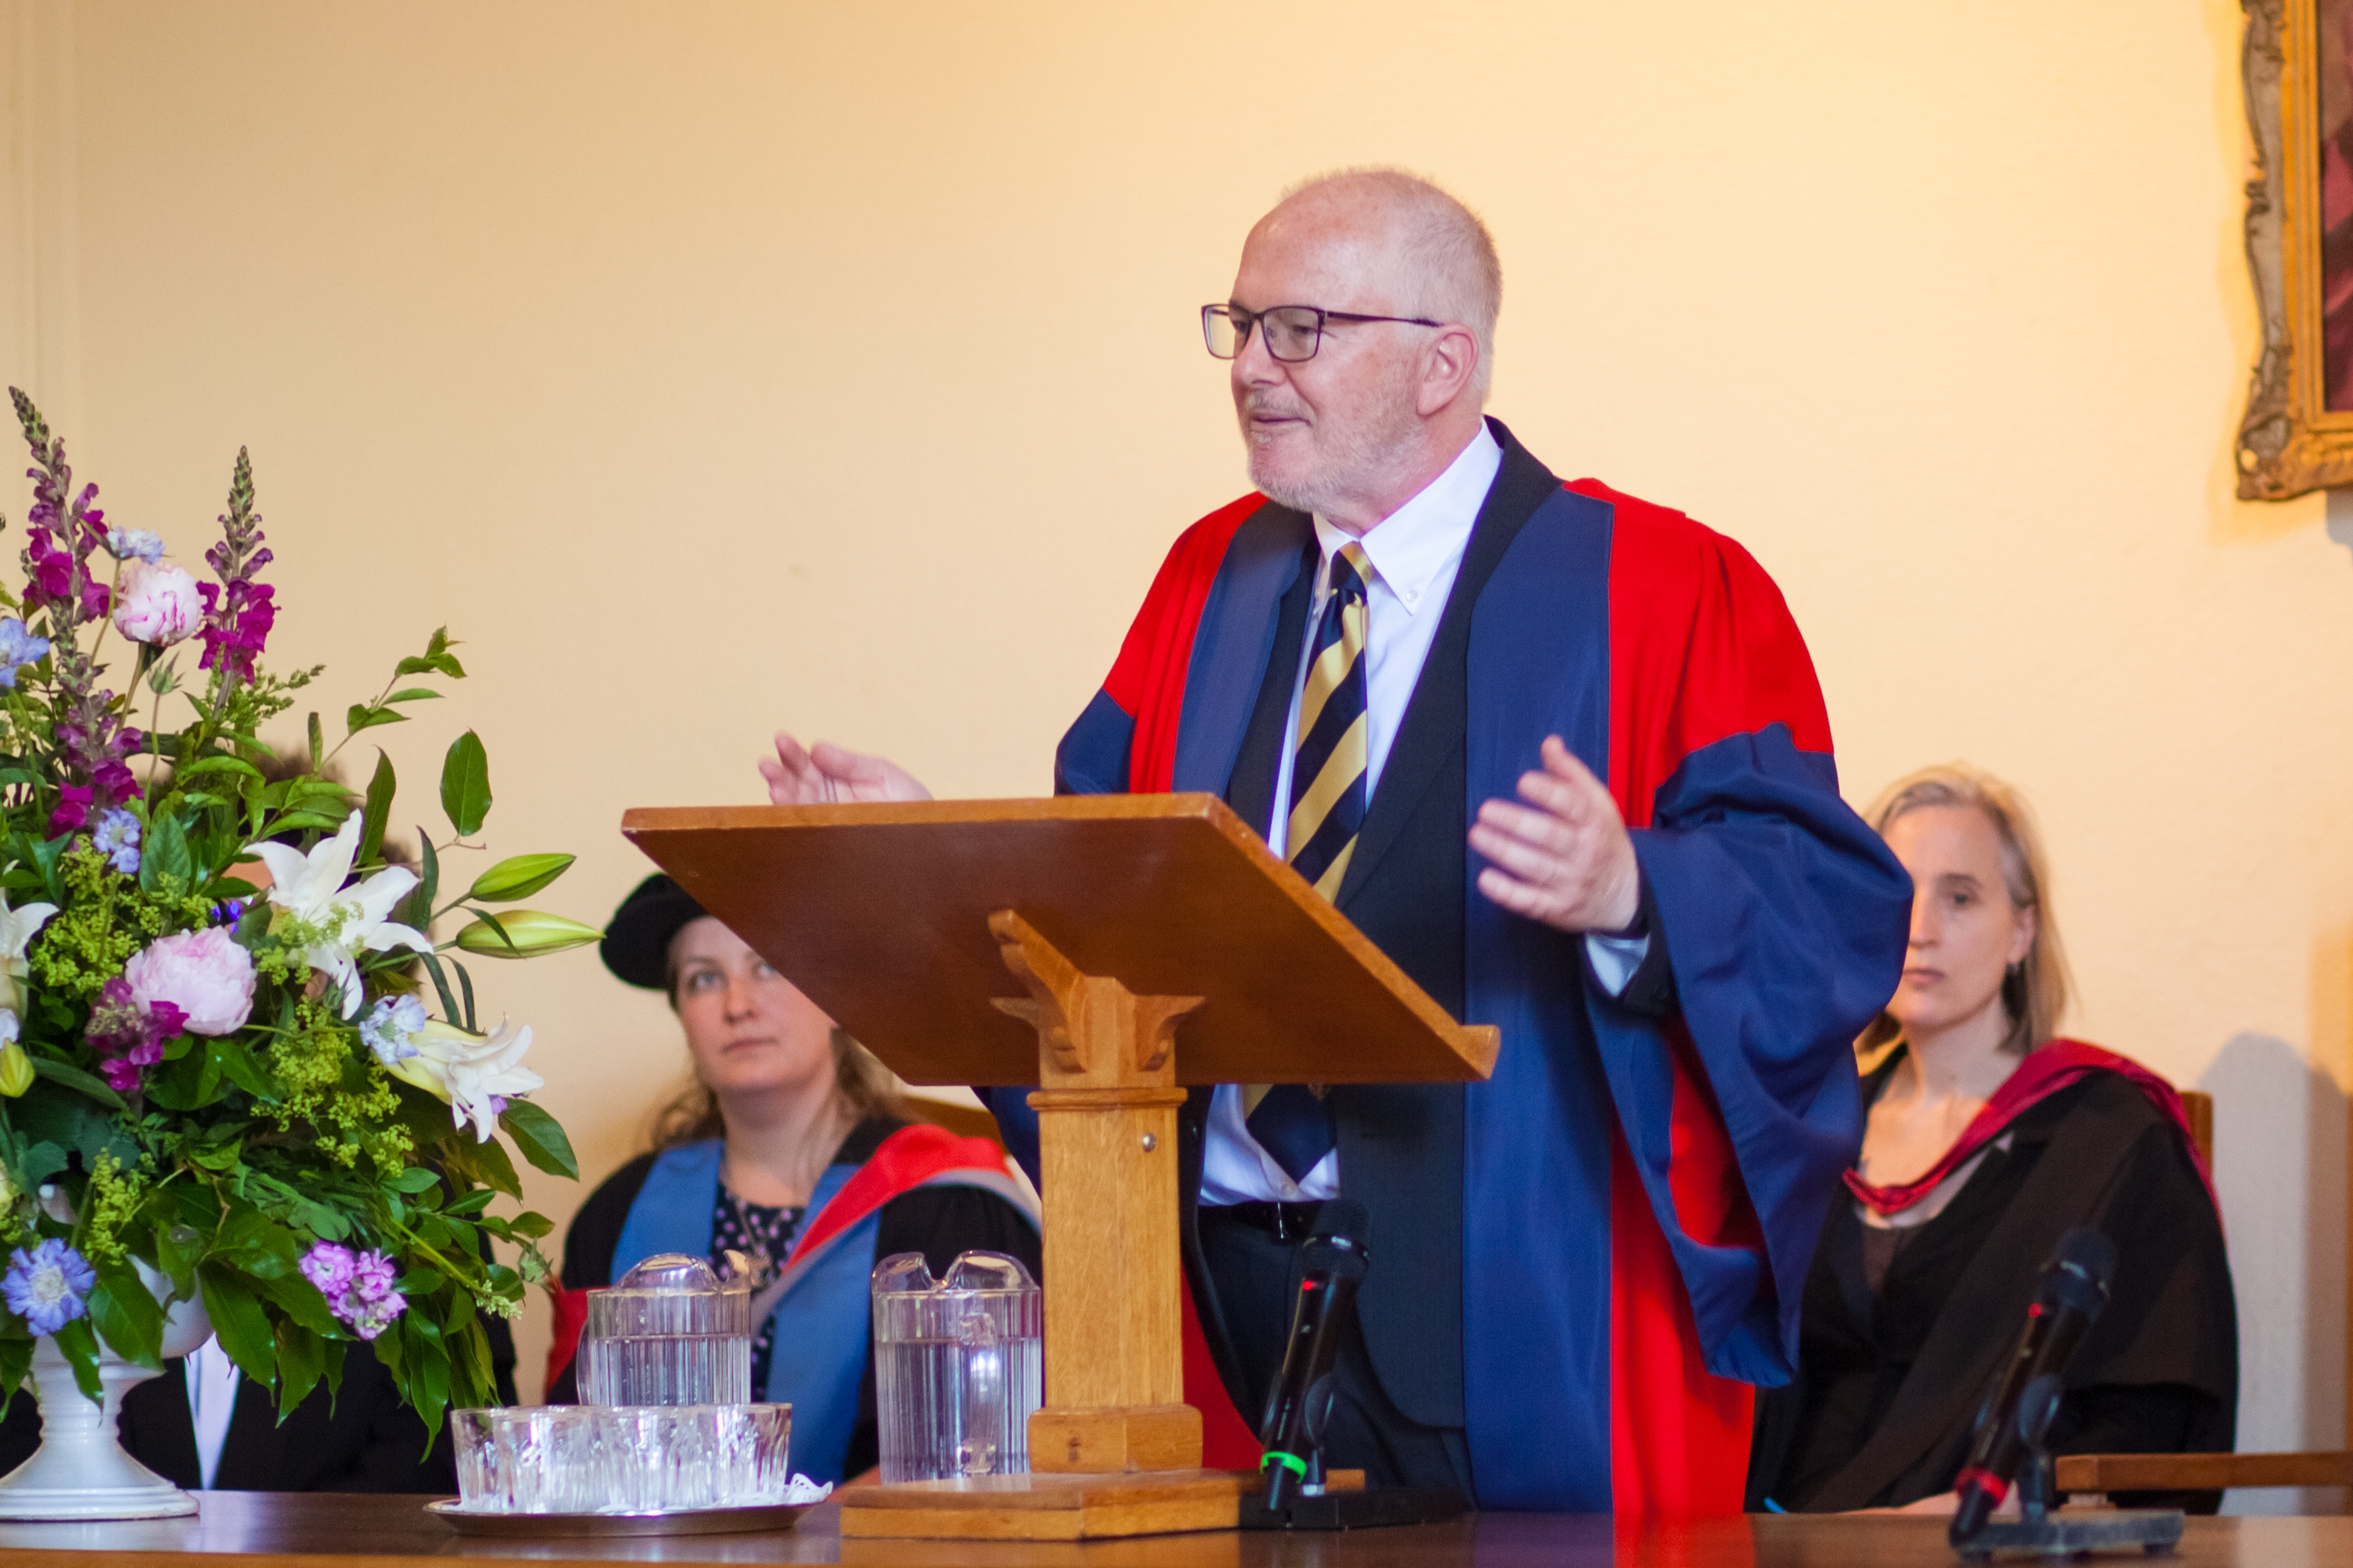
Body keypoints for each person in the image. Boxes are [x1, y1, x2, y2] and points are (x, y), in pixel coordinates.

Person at [759, 168, 1911, 1513]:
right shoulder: (1212, 582)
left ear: (1442, 364)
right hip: (1218, 1301)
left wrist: (1636, 891)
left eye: (1299, 328)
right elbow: (1105, 902)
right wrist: (935, 864)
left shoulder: (1657, 589)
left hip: (1523, 1302)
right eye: (1239, 325)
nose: (1251, 366)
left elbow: (1823, 906)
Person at [1744, 764, 2236, 1514]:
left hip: (1980, 1540)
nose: (1919, 929)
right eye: (1897, 892)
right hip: (1787, 1537)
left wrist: (1969, 1519)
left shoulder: (2114, 1139)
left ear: (2022, 933)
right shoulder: (1813, 1127)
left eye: (1961, 896)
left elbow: (2147, 1427)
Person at [546, 875, 1040, 1483]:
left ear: (836, 999)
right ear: (682, 1015)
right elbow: (570, 1451)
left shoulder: (946, 1203)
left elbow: (980, 1452)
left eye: (770, 967)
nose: (738, 1004)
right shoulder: (620, 1212)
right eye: (704, 978)